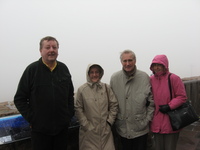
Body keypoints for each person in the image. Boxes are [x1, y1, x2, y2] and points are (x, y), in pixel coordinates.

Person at [14, 36, 74, 150]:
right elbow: (19, 98)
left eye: (54, 47)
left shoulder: (63, 69)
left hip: (62, 129)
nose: (51, 50)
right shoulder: (32, 70)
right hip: (40, 131)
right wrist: (33, 119)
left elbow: (70, 96)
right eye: (48, 47)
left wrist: (68, 116)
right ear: (41, 51)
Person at [110, 49, 154, 150]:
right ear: (121, 62)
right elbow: (111, 102)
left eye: (130, 60)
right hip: (122, 128)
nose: (127, 63)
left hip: (140, 128)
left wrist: (146, 120)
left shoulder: (144, 77)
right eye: (125, 61)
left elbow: (151, 102)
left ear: (135, 61)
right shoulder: (114, 78)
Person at [75, 64, 118, 150]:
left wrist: (109, 122)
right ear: (88, 74)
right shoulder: (82, 90)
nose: (94, 75)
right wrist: (86, 125)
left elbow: (114, 105)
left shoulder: (106, 88)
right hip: (88, 134)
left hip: (106, 132)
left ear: (100, 73)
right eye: (92, 72)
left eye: (97, 72)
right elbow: (78, 108)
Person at [149, 54, 187, 150]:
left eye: (159, 65)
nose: (157, 67)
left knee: (170, 147)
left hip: (171, 120)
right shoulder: (151, 80)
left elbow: (182, 96)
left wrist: (169, 106)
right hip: (156, 121)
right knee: (157, 147)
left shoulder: (174, 78)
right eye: (154, 65)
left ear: (165, 65)